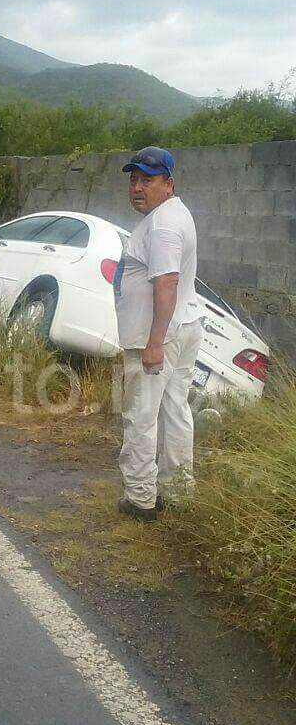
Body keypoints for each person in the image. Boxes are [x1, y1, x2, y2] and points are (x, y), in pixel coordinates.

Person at [114, 146, 203, 521]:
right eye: (134, 179)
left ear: (168, 183)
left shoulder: (163, 224)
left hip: (159, 338)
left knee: (141, 416)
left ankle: (140, 498)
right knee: (176, 410)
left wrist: (153, 344)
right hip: (183, 326)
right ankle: (178, 490)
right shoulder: (171, 214)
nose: (137, 187)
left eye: (147, 180)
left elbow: (166, 281)